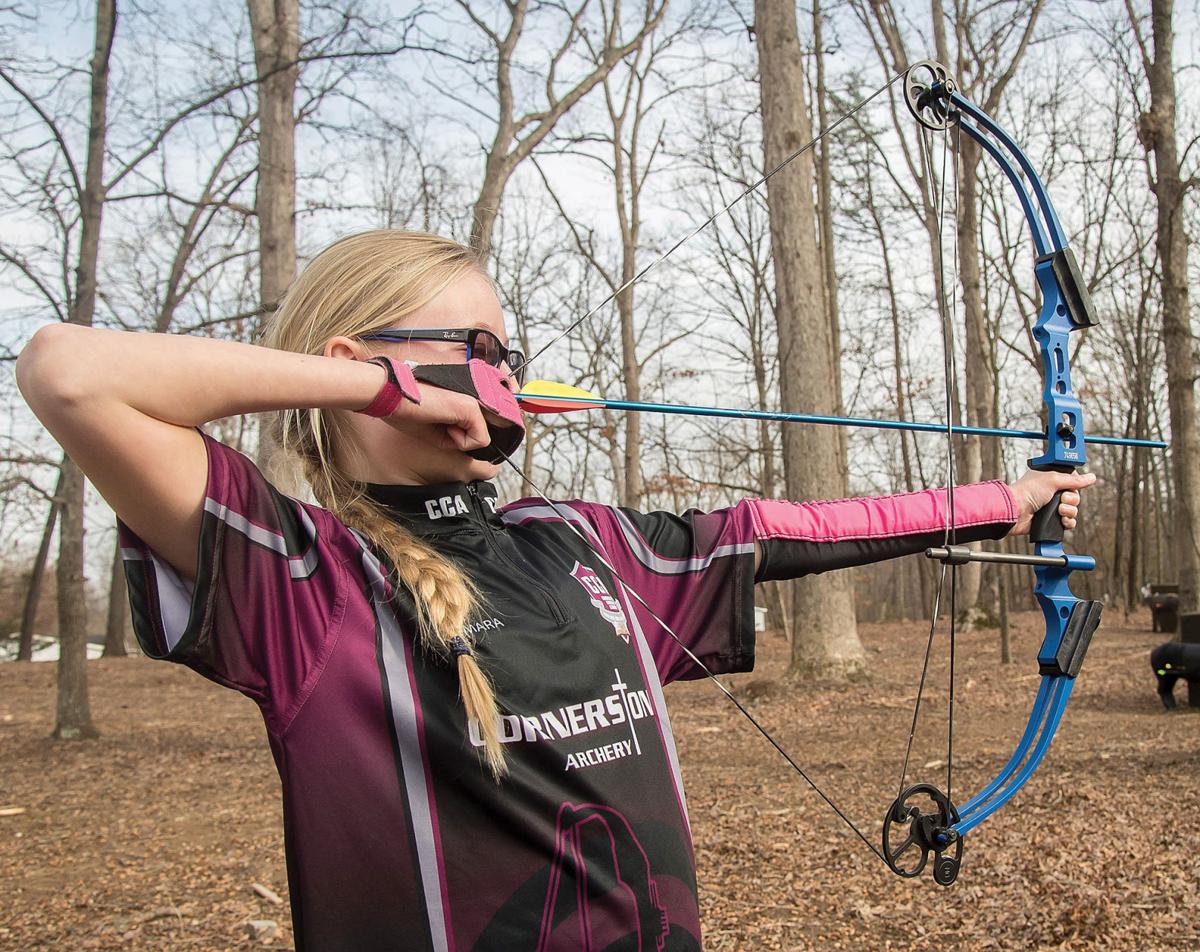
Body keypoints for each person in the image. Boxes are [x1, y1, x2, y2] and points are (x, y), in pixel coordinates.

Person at [16, 230, 1094, 951]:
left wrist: (1007, 496)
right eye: (474, 349)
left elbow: (784, 529)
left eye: (507, 352)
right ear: (357, 362)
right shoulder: (304, 579)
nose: (502, 374)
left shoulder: (578, 541)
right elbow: (69, 372)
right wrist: (379, 384)